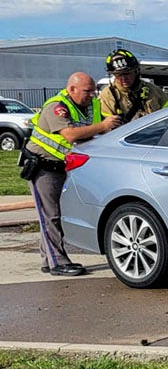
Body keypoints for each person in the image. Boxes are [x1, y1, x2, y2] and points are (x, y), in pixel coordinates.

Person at [21, 72, 122, 276]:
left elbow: (93, 130)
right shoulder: (57, 107)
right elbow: (70, 134)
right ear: (72, 89)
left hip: (64, 167)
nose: (92, 95)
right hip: (43, 168)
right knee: (51, 216)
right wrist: (103, 126)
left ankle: (47, 258)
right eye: (87, 91)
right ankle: (57, 262)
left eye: (93, 90)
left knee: (55, 214)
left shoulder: (90, 106)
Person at [98, 49, 168, 123]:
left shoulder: (152, 90)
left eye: (127, 73)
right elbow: (109, 128)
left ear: (136, 71)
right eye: (118, 75)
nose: (124, 78)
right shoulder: (107, 96)